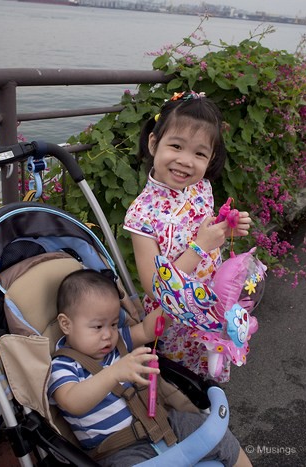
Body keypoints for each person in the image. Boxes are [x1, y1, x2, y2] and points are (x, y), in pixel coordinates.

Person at [48, 268, 252, 467]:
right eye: (97, 326)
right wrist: (113, 373)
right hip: (119, 451)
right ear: (66, 324)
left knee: (217, 435)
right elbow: (72, 401)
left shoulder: (119, 343)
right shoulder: (63, 365)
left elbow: (148, 330)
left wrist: (174, 305)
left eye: (112, 324)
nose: (108, 334)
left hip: (165, 423)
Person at [124, 90, 252, 383]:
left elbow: (204, 230)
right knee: (180, 386)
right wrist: (200, 246)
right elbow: (157, 288)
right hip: (174, 321)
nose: (185, 161)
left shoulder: (201, 188)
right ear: (154, 143)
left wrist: (225, 226)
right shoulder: (141, 214)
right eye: (176, 146)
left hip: (212, 305)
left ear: (210, 159)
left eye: (199, 153)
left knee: (209, 371)